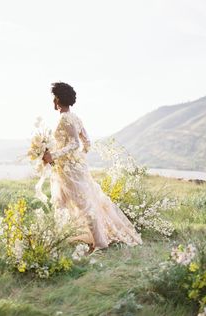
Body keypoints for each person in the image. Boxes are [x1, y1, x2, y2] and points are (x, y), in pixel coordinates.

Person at [43, 82, 142, 251]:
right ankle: (59, 237)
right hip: (70, 167)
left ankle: (100, 243)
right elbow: (86, 143)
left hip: (69, 169)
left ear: (58, 99)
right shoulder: (76, 118)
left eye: (54, 97)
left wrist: (55, 155)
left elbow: (75, 144)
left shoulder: (65, 118)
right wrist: (77, 159)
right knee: (61, 201)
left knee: (82, 203)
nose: (53, 100)